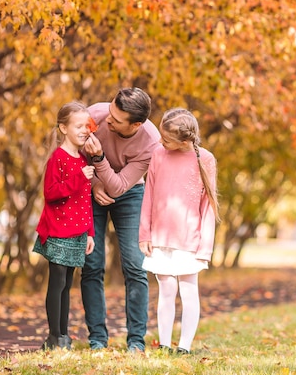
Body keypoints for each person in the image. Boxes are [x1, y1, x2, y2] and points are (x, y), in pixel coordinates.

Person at [80, 87, 161, 352]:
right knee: (92, 264)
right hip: (91, 189)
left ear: (136, 124)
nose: (108, 120)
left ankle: (136, 340)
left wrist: (100, 159)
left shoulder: (151, 143)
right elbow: (74, 154)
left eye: (116, 119)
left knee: (135, 267)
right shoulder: (96, 114)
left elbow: (119, 186)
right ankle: (97, 339)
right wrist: (93, 184)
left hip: (130, 193)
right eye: (110, 112)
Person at [138, 108, 220, 354]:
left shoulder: (205, 159)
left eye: (166, 139)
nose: (161, 142)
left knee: (188, 289)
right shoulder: (158, 154)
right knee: (166, 289)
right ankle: (164, 343)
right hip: (160, 237)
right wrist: (145, 234)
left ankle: (184, 346)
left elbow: (208, 206)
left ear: (185, 141)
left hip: (190, 241)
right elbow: (149, 194)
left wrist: (205, 247)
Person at [33, 101, 96, 350]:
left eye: (87, 126)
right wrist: (78, 178)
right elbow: (51, 193)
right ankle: (53, 337)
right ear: (63, 128)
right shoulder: (57, 158)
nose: (84, 130)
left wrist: (90, 232)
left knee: (68, 285)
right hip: (58, 230)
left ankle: (63, 335)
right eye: (78, 126)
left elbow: (85, 200)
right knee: (57, 283)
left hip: (78, 232)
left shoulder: (82, 158)